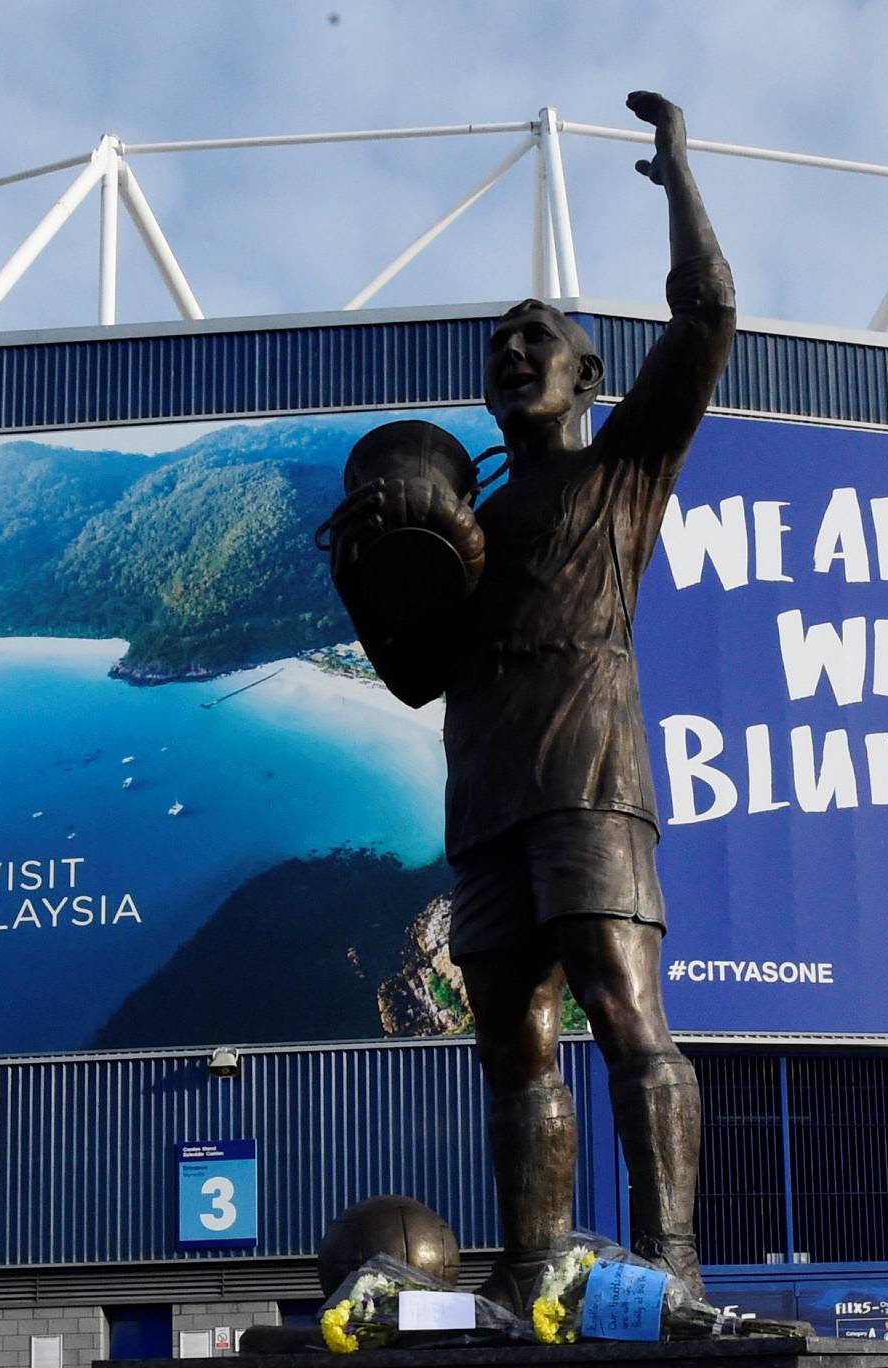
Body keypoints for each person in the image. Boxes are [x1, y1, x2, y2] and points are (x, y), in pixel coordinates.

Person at [325, 90, 734, 1304]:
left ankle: (669, 1262)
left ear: (585, 372)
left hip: (591, 776)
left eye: (536, 337)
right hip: (486, 786)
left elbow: (709, 313)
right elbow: (409, 679)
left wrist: (678, 173)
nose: (513, 353)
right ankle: (535, 1265)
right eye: (498, 344)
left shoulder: (623, 469)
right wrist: (366, 585)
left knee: (623, 1009)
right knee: (511, 1042)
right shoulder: (474, 532)